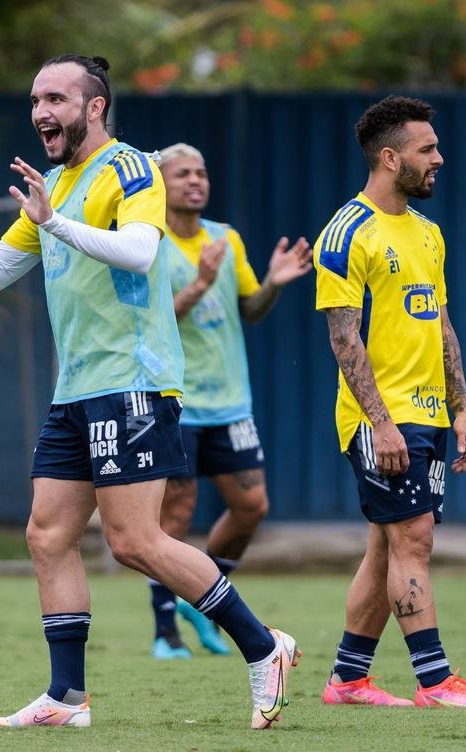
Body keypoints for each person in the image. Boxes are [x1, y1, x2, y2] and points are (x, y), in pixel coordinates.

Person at [0, 54, 299, 730]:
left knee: (136, 543)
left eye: (55, 98)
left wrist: (56, 225)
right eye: (34, 99)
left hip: (132, 380)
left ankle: (264, 647)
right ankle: (65, 697)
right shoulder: (52, 183)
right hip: (77, 389)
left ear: (94, 106)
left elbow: (138, 250)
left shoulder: (130, 168)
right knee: (47, 534)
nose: (41, 111)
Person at [313, 95, 466, 708]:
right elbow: (344, 339)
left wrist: (462, 408)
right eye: (428, 149)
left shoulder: (427, 232)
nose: (439, 159)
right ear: (391, 158)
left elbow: (442, 325)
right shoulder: (345, 233)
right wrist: (381, 423)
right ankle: (435, 680)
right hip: (383, 420)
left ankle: (347, 680)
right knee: (413, 538)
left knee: (388, 543)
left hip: (430, 415)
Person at [148, 144, 311, 660]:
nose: (195, 180)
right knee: (175, 518)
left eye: (201, 171)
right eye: (182, 174)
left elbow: (250, 310)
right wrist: (198, 282)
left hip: (231, 403)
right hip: (176, 401)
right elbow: (149, 323)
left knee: (251, 507)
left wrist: (275, 284)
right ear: (162, 184)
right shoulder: (148, 241)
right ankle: (165, 633)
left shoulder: (226, 237)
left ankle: (204, 595)